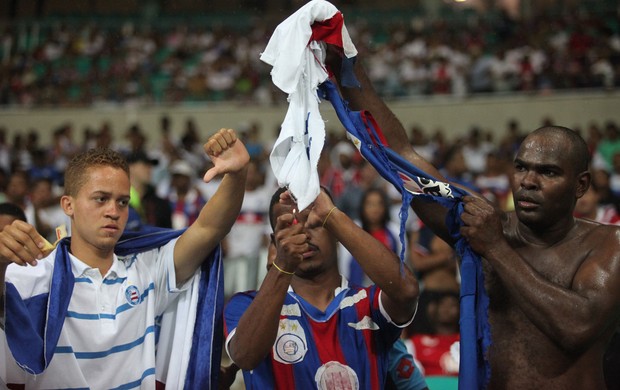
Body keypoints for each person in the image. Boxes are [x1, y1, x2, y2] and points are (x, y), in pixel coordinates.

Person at [326, 43, 620, 389]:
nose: (529, 181)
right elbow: (403, 157)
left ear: (581, 185)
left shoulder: (607, 244)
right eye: (522, 168)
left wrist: (496, 249)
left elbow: (577, 327)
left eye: (548, 172)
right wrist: (347, 66)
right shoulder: (484, 226)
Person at [0, 128, 249, 388]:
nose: (113, 211)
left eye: (122, 202)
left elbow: (209, 229)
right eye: (101, 199)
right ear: (68, 205)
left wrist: (237, 173)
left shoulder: (146, 270)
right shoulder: (31, 276)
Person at [224, 186, 420, 388]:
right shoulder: (245, 305)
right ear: (275, 242)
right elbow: (245, 356)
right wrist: (282, 265)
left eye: (314, 222)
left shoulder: (369, 303)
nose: (303, 234)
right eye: (289, 226)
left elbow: (407, 291)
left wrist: (332, 215)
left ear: (336, 232)